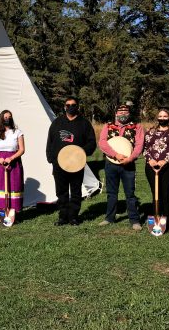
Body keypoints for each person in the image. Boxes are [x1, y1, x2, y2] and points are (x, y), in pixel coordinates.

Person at [46, 96, 96, 226]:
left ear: (77, 106)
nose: (70, 107)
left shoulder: (84, 123)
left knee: (75, 191)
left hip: (77, 163)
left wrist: (81, 152)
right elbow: (50, 142)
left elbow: (91, 143)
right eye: (67, 105)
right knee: (61, 192)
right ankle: (63, 216)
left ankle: (73, 216)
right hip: (59, 164)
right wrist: (51, 159)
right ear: (64, 107)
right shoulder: (57, 123)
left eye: (73, 105)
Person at [98, 104, 144, 230]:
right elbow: (102, 143)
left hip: (128, 164)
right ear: (116, 113)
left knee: (130, 193)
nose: (123, 113)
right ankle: (109, 218)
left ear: (129, 113)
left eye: (125, 111)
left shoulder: (137, 127)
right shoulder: (108, 126)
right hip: (111, 163)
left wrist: (131, 158)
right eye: (120, 111)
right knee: (112, 192)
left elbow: (139, 145)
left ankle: (134, 220)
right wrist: (115, 154)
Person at [143, 108, 169, 228]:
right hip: (151, 167)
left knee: (166, 194)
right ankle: (155, 216)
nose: (162, 118)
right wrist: (150, 159)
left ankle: (166, 219)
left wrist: (164, 161)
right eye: (160, 116)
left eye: (165, 116)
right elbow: (144, 148)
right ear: (157, 117)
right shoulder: (150, 131)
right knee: (155, 194)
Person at [0, 110, 25, 221]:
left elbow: (22, 149)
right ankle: (2, 213)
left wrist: (11, 158)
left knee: (13, 185)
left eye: (9, 117)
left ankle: (12, 212)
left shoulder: (18, 132)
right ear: (1, 118)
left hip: (13, 163)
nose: (7, 119)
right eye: (5, 117)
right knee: (1, 186)